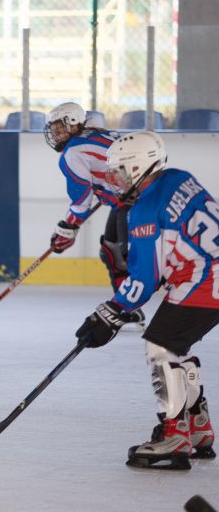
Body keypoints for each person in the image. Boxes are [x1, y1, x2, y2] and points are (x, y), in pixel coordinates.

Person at [75, 131, 215, 470]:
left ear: (139, 167)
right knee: (177, 345)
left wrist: (108, 313)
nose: (114, 181)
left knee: (159, 345)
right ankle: (198, 428)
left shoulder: (143, 211)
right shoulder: (180, 177)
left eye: (120, 172)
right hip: (208, 270)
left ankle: (173, 435)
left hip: (203, 280)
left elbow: (144, 280)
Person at [44, 102, 144, 328]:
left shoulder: (72, 154)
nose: (54, 134)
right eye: (52, 129)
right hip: (128, 200)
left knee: (134, 258)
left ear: (73, 124)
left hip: (135, 202)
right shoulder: (99, 134)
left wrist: (66, 230)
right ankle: (129, 309)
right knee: (112, 250)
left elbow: (81, 203)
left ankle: (144, 305)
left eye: (58, 128)